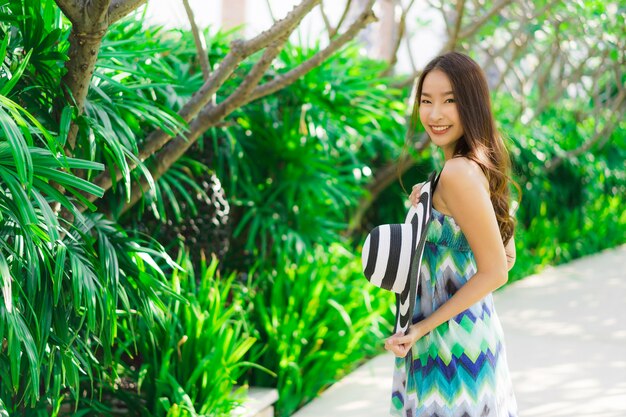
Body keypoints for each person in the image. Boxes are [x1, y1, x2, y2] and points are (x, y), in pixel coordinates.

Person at [384, 51, 519, 416]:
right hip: (473, 338)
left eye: (449, 101)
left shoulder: (459, 173)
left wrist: (421, 327)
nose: (434, 114)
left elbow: (497, 270)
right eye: (426, 101)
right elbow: (506, 256)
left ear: (471, 105)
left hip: (448, 352)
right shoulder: (476, 166)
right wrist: (430, 198)